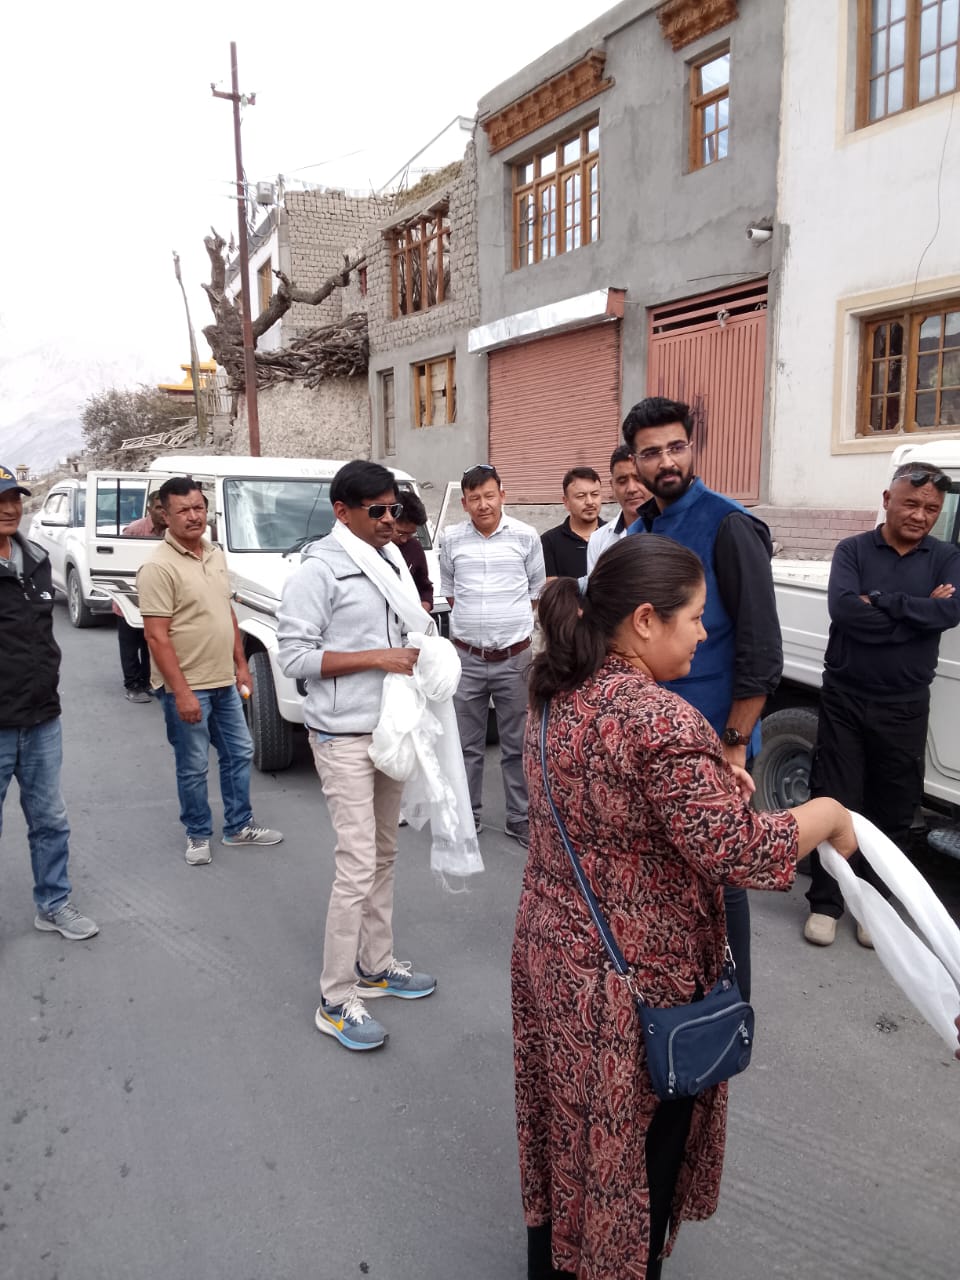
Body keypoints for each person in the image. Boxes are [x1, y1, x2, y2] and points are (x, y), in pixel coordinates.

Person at [514, 535, 857, 1280]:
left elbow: (609, 815)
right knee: (634, 1154)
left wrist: (706, 793)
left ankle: (558, 1263)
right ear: (644, 620)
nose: (705, 634)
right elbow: (743, 852)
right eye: (696, 618)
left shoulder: (556, 687)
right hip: (628, 983)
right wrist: (825, 812)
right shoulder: (657, 720)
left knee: (570, 1137)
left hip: (556, 957)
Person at [622, 397, 782, 1000]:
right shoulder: (641, 530)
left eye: (676, 446)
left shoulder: (728, 524)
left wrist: (735, 744)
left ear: (693, 447)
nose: (666, 461)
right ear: (634, 462)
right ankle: (674, 991)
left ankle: (729, 1002)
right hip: (652, 736)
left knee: (721, 873)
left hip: (716, 737)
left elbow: (762, 649)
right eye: (651, 452)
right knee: (666, 872)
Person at [277, 460, 437, 1052]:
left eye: (395, 509)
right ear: (343, 512)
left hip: (389, 730)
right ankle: (336, 997)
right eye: (378, 511)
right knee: (357, 863)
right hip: (342, 736)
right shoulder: (319, 569)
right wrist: (378, 657)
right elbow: (294, 656)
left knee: (386, 855)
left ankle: (377, 964)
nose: (391, 521)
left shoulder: (390, 558)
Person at [805, 462, 960, 947]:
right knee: (835, 799)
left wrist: (885, 601)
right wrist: (919, 612)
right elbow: (846, 612)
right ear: (888, 499)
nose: (920, 515)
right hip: (846, 699)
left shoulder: (946, 556)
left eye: (932, 508)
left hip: (905, 705)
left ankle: (873, 904)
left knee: (893, 809)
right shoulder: (852, 549)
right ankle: (826, 903)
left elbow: (952, 610)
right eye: (911, 503)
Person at [138, 476, 282, 866]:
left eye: (199, 508)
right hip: (188, 686)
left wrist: (241, 665)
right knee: (193, 765)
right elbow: (156, 637)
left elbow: (226, 612)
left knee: (240, 752)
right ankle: (197, 833)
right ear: (165, 516)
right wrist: (180, 691)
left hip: (224, 681)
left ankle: (238, 826)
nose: (193, 516)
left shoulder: (215, 554)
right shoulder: (157, 567)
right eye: (183, 510)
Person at [0, 464, 98, 941]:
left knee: (50, 819)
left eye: (15, 498)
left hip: (41, 718)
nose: (9, 507)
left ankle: (53, 903)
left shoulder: (36, 559)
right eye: (0, 500)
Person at [440, 464, 546, 847]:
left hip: (515, 659)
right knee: (466, 745)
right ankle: (468, 817)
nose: (483, 504)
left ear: (502, 493)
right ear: (464, 503)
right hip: (466, 659)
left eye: (489, 495)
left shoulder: (525, 536)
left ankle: (519, 818)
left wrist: (505, 629)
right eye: (474, 499)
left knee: (516, 745)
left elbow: (535, 591)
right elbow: (451, 593)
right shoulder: (451, 540)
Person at [114, 491, 166, 704]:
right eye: (158, 508)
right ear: (149, 509)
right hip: (130, 596)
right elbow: (119, 560)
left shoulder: (171, 532)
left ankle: (147, 681)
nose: (163, 512)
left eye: (166, 508)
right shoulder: (135, 530)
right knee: (129, 643)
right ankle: (133, 685)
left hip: (156, 599)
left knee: (150, 642)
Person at [585, 445, 650, 575]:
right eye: (622, 481)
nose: (631, 489)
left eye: (638, 479)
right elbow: (595, 591)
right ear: (612, 485)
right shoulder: (599, 539)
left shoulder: (671, 531)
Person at [541, 467, 605, 579]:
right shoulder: (548, 542)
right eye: (581, 496)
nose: (589, 502)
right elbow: (551, 590)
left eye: (595, 494)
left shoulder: (614, 534)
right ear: (566, 502)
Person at [391, 489, 434, 613]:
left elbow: (425, 588)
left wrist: (424, 608)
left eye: (411, 534)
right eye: (401, 533)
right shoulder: (371, 547)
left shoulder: (415, 547)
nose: (404, 540)